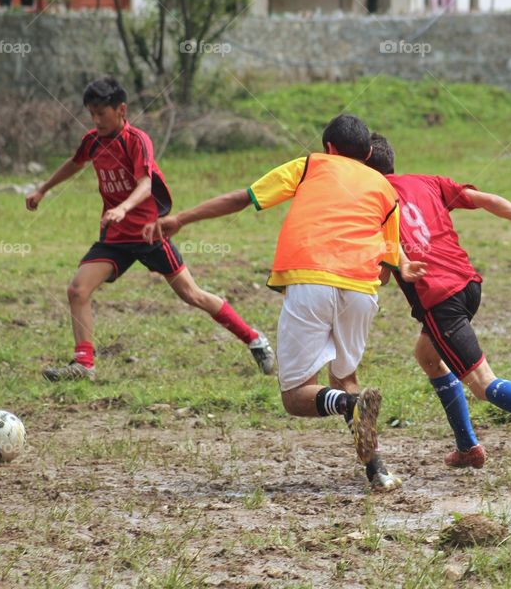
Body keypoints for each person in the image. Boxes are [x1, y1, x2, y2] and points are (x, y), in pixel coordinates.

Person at [143, 114, 426, 491]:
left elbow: (243, 199)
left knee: (296, 396)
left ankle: (346, 406)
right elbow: (391, 263)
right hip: (361, 289)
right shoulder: (384, 188)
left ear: (328, 148)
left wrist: (181, 218)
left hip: (310, 279)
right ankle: (378, 470)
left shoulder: (311, 164)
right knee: (345, 378)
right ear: (370, 152)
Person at [26, 76, 275, 380]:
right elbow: (75, 163)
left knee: (193, 295)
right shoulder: (92, 141)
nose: (95, 120)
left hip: (151, 234)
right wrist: (43, 189)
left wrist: (123, 208)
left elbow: (145, 183)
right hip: (116, 238)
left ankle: (254, 338)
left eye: (101, 113)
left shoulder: (137, 140)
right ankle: (84, 365)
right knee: (77, 290)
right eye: (91, 114)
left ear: (121, 110)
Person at [365, 133, 511, 473]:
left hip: (440, 300)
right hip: (468, 285)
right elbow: (486, 199)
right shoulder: (427, 182)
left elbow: (384, 276)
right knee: (427, 355)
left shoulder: (371, 202)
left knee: (483, 384)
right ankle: (468, 448)